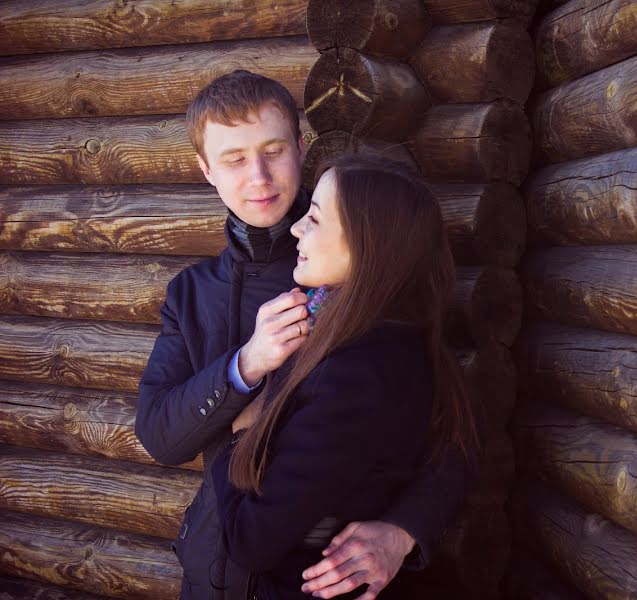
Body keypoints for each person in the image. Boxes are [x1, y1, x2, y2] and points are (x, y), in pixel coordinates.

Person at [136, 71, 472, 600]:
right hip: (210, 573)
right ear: (206, 170)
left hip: (317, 579)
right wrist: (243, 367)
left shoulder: (361, 269)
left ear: (300, 147)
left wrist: (405, 530)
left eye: (274, 150)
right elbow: (159, 434)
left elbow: (450, 436)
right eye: (234, 159)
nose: (260, 177)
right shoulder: (189, 294)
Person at [212, 154, 479, 599]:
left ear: (365, 244)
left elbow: (250, 541)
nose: (298, 229)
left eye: (314, 219)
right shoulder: (385, 334)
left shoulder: (356, 375)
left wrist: (237, 435)